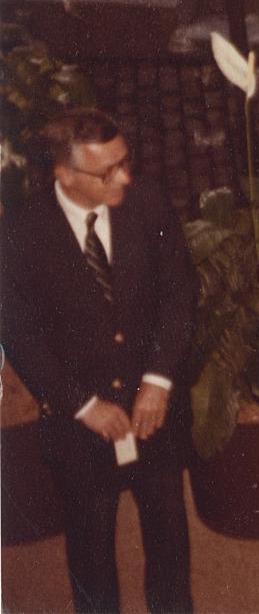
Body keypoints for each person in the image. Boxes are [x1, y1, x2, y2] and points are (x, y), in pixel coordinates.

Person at [1, 109, 196, 613]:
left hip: (154, 413)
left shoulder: (147, 203)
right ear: (63, 174)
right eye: (107, 171)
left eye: (124, 162)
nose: (125, 178)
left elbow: (179, 293)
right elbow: (19, 333)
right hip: (81, 428)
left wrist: (157, 379)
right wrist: (83, 405)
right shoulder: (21, 233)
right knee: (91, 551)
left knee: (170, 539)